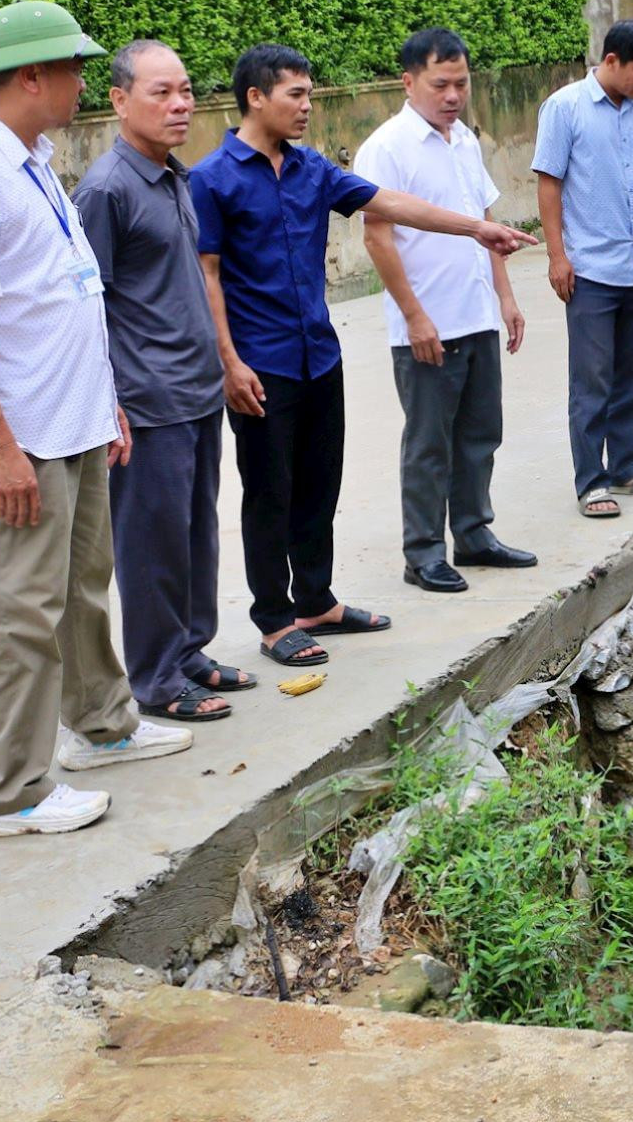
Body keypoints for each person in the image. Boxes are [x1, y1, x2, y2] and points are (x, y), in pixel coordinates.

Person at [0, 0, 192, 839]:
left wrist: (101, 401)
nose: (83, 82)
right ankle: (9, 791)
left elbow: (62, 295)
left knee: (77, 590)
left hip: (68, 422)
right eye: (73, 69)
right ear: (30, 76)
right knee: (18, 615)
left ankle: (103, 723)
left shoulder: (28, 157)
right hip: (20, 439)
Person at [189, 43, 536, 671]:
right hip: (259, 364)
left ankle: (316, 601)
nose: (307, 106)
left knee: (320, 485)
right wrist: (228, 362)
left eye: (310, 94)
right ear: (255, 98)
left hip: (318, 355)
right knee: (270, 493)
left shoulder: (311, 170)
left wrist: (477, 228)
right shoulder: (212, 179)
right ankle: (273, 619)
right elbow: (206, 275)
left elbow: (393, 205)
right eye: (296, 95)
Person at [75, 39, 239, 725]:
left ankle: (188, 650)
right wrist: (108, 401)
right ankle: (155, 675)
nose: (179, 104)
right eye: (160, 92)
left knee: (194, 532)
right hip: (148, 399)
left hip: (196, 389)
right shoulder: (106, 190)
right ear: (119, 100)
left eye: (185, 90)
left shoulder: (175, 177)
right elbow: (86, 305)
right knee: (151, 542)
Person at [353, 28, 535, 594]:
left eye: (461, 83)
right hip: (427, 324)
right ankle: (424, 552)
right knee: (430, 442)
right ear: (409, 83)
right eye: (441, 84)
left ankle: (475, 535)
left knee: (481, 433)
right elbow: (377, 237)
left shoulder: (466, 142)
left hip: (476, 313)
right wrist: (414, 316)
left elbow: (486, 226)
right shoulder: (386, 147)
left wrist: (504, 298)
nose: (453, 95)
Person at [532, 18, 633, 520]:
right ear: (610, 61)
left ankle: (625, 467)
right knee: (591, 379)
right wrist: (557, 256)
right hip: (591, 269)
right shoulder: (565, 107)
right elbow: (548, 184)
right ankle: (591, 481)